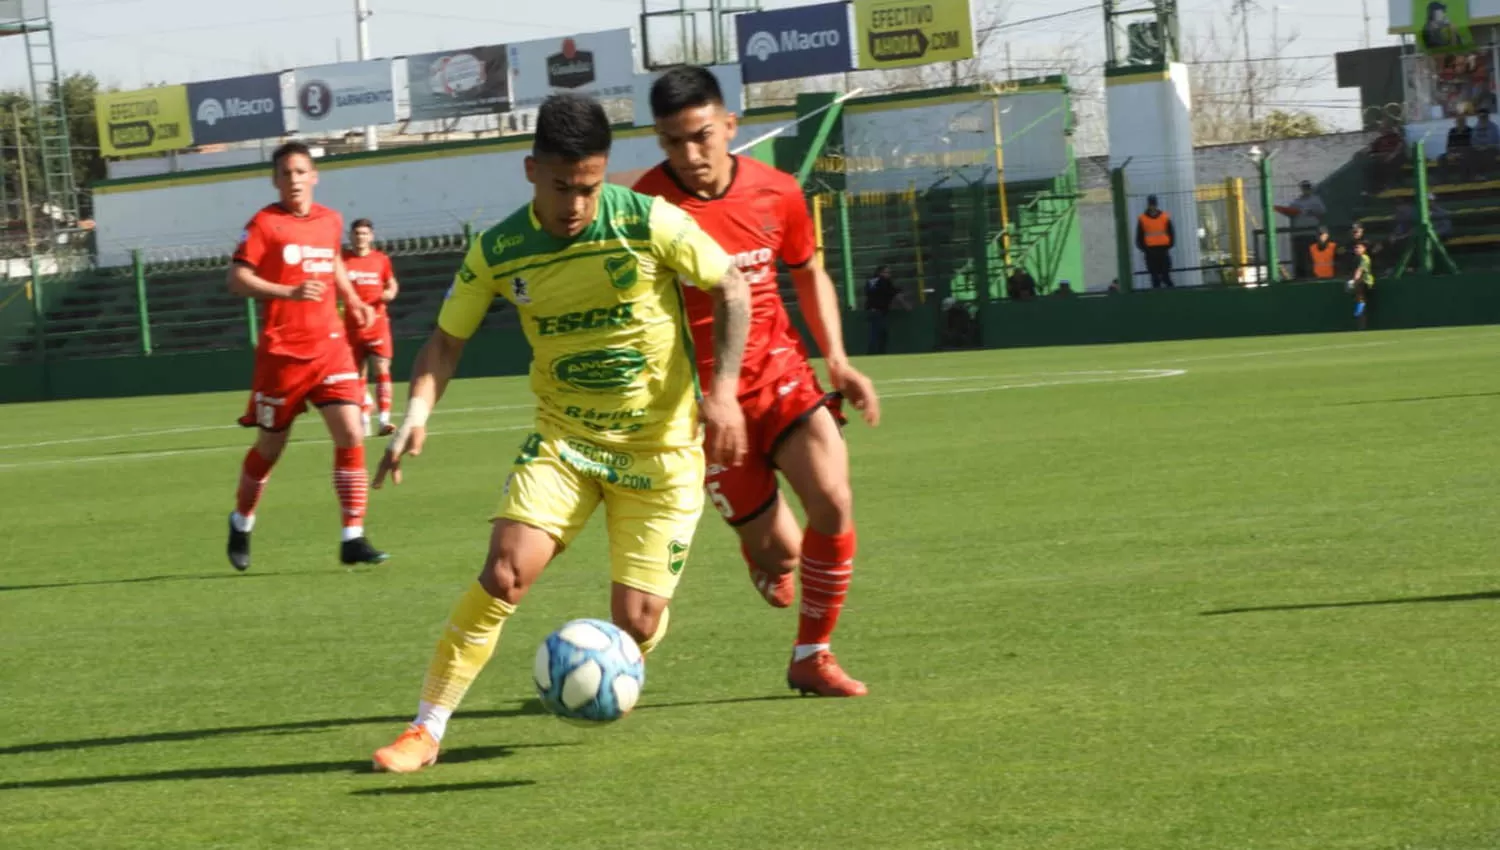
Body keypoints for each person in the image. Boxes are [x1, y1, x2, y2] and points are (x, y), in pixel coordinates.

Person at [368, 93, 751, 773]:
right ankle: (426, 728)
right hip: (566, 445)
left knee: (635, 623)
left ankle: (615, 657)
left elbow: (731, 287)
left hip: (661, 455)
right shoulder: (501, 250)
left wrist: (722, 394)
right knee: (505, 573)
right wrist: (417, 412)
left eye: (590, 186)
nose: (576, 204)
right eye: (560, 186)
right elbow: (446, 342)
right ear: (530, 171)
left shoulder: (648, 221)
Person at [633, 66, 879, 696]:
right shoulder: (644, 209)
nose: (689, 155)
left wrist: (838, 359)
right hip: (702, 407)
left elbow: (806, 271)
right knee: (783, 555)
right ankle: (761, 554)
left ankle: (812, 655)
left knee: (834, 498)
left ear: (730, 126)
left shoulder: (778, 192)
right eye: (671, 142)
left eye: (700, 136)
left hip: (780, 377)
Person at [225, 141, 387, 572]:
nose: (294, 180)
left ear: (314, 176)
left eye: (301, 172)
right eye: (286, 173)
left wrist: (352, 299)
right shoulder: (264, 224)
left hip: (329, 349)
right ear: (275, 180)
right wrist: (288, 292)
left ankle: (352, 535)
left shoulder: (331, 221)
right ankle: (242, 521)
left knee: (351, 431)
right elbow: (237, 278)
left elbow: (333, 260)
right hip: (282, 355)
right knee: (270, 448)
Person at [343, 218, 400, 437]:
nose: (361, 237)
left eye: (365, 233)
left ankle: (384, 419)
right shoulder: (343, 260)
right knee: (356, 374)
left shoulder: (381, 260)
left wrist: (390, 293)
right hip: (351, 326)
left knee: (382, 369)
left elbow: (391, 283)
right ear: (351, 236)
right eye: (357, 233)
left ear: (371, 236)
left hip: (377, 324)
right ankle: (364, 412)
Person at [1274, 181, 1326, 279]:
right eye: (1304, 188)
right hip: (1298, 233)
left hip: (1310, 232)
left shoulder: (1315, 200)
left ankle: (1311, 275)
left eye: (1307, 188)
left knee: (1309, 256)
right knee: (1299, 256)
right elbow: (1290, 212)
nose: (1305, 190)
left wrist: (1310, 211)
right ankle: (1300, 276)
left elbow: (1322, 212)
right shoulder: (1297, 201)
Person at [863, 265, 906, 354]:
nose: (889, 275)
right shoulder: (884, 281)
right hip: (879, 311)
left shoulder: (870, 282)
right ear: (880, 273)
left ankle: (873, 352)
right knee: (880, 334)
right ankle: (877, 353)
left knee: (874, 333)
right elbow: (894, 294)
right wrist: (906, 305)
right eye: (887, 272)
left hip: (870, 310)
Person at [1135, 195, 1174, 288]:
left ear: (1156, 205)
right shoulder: (1142, 219)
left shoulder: (1164, 217)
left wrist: (1168, 246)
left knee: (1166, 277)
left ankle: (1173, 294)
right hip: (1150, 252)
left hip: (1163, 251)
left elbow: (1171, 233)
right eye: (1151, 204)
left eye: (1153, 204)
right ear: (1148, 205)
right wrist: (1145, 249)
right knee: (1155, 278)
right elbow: (1139, 237)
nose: (1152, 207)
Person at [1349, 241, 1375, 330]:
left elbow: (1360, 270)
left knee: (1360, 292)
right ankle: (1360, 308)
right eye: (1355, 248)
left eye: (1359, 247)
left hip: (1367, 281)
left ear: (1364, 249)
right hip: (1360, 282)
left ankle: (1359, 308)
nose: (1356, 249)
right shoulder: (1355, 259)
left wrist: (1354, 280)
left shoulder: (1365, 258)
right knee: (1359, 296)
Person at [1444, 113, 1472, 183]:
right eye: (1458, 121)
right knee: (1441, 158)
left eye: (1462, 121)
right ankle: (1444, 181)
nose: (1460, 123)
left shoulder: (1470, 131)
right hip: (1453, 153)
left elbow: (1470, 145)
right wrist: (1450, 154)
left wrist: (1459, 154)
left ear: (1465, 122)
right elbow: (1448, 145)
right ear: (1456, 122)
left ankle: (1463, 181)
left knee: (1463, 160)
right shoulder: (1452, 131)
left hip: (1465, 154)